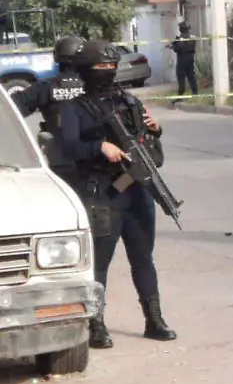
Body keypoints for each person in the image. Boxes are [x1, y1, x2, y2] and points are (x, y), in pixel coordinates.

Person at [59, 39, 176, 349]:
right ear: (86, 70)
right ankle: (96, 325)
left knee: (143, 258)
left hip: (138, 191)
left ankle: (154, 320)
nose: (108, 70)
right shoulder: (74, 108)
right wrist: (99, 147)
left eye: (112, 65)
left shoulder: (129, 101)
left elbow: (147, 144)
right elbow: (68, 147)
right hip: (102, 192)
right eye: (101, 66)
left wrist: (155, 129)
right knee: (99, 263)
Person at [11, 35, 87, 182]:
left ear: (56, 57)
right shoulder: (94, 85)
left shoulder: (45, 87)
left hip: (60, 160)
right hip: (93, 158)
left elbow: (12, 108)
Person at [169, 22, 198, 97]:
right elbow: (191, 47)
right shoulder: (192, 38)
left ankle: (181, 93)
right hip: (190, 59)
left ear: (181, 30)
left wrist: (173, 45)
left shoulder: (179, 39)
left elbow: (177, 49)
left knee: (181, 77)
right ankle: (195, 92)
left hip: (182, 60)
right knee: (191, 76)